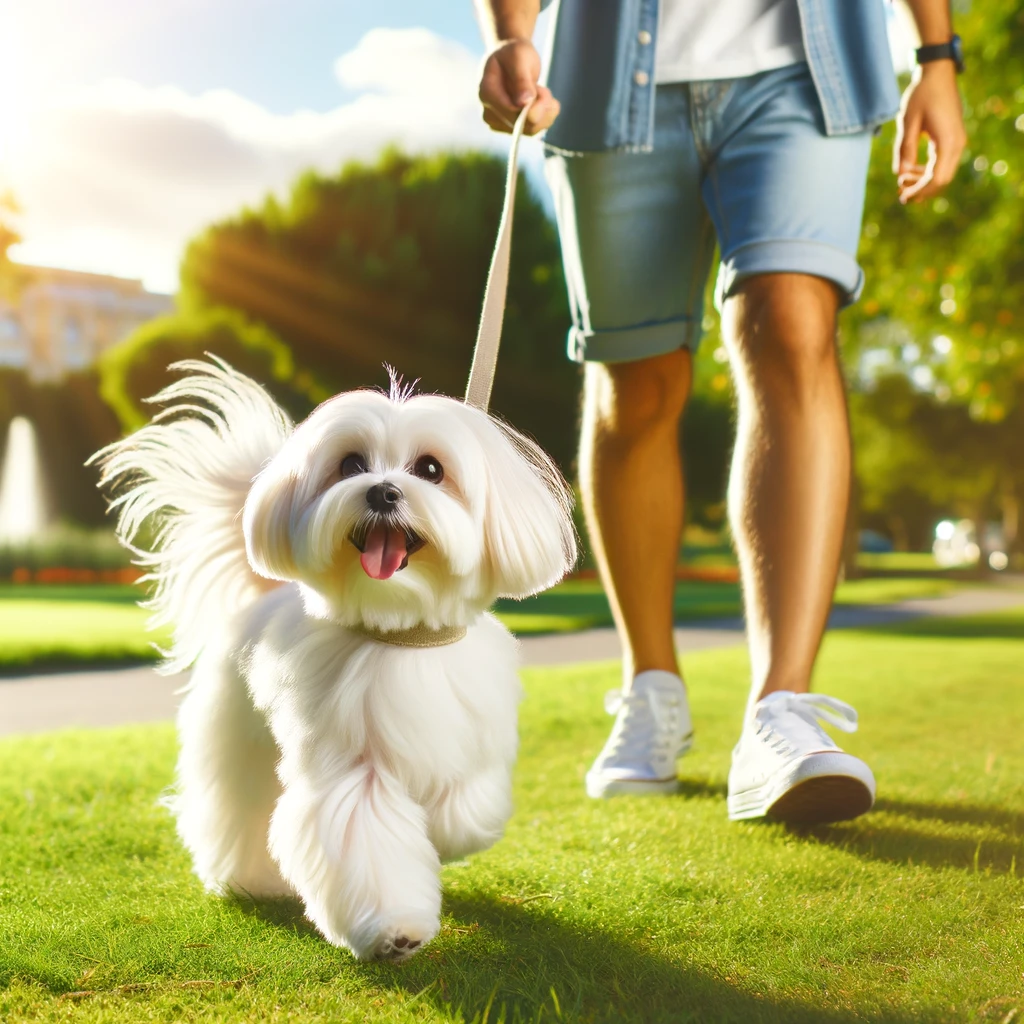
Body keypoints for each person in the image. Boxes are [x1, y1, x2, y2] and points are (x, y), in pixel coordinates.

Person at [475, 0, 967, 822]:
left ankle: (782, 710)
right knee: (637, 385)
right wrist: (509, 34)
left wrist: (938, 54)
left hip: (807, 75)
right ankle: (652, 688)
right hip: (605, 89)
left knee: (791, 325)